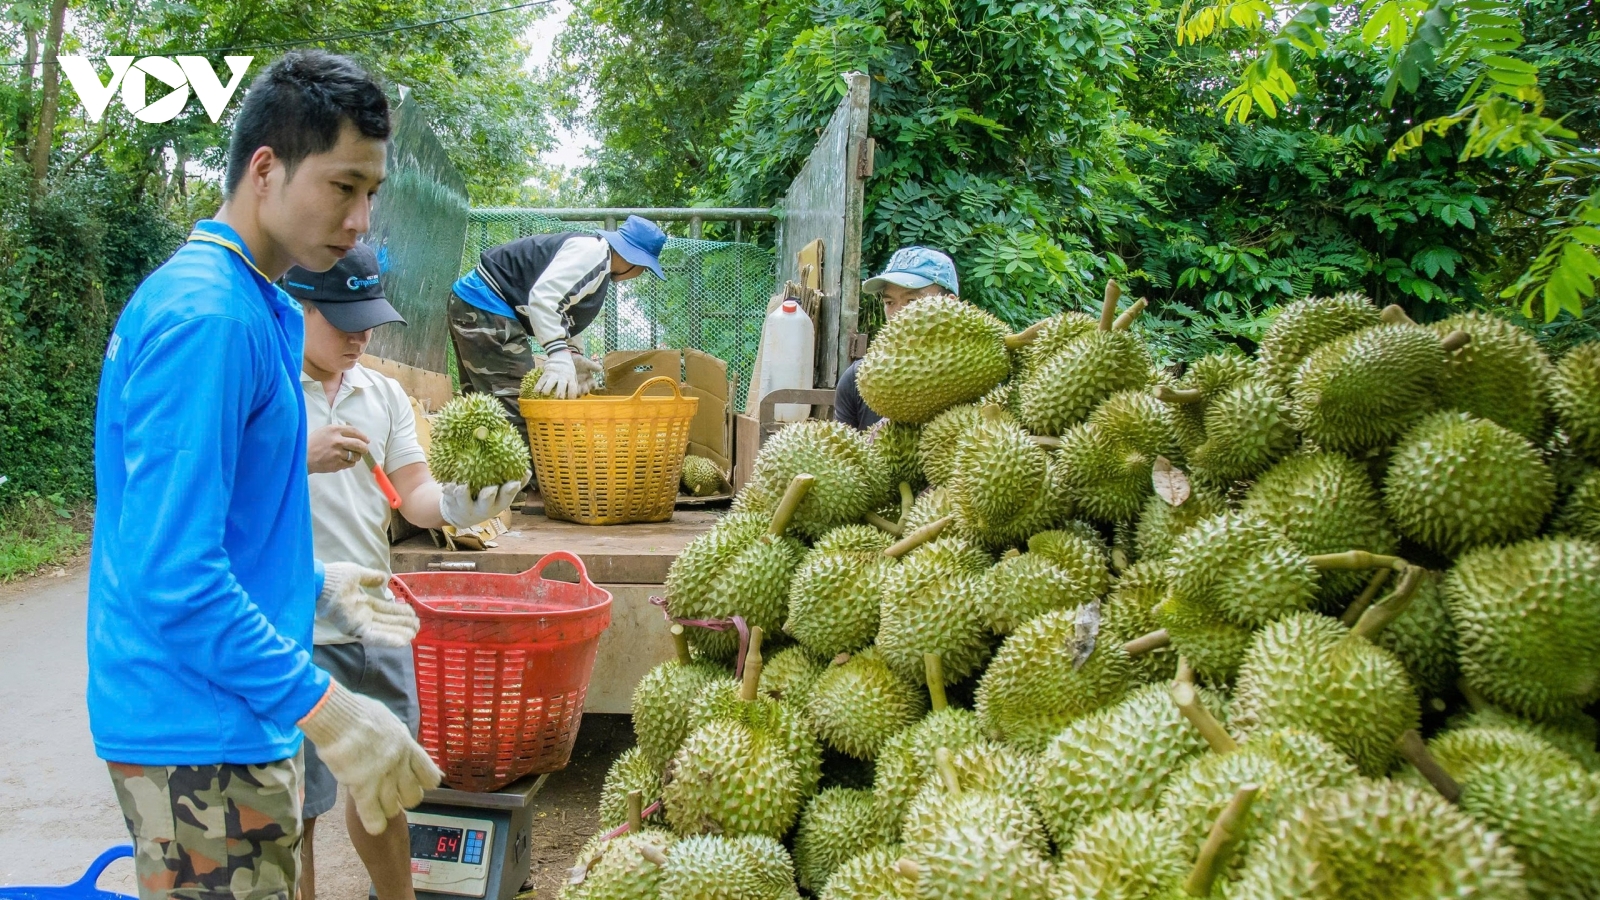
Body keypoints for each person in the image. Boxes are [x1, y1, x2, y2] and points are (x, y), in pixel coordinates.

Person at [87, 51, 440, 900]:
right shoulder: (208, 317)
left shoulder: (252, 302)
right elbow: (172, 574)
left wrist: (313, 583)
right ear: (265, 168)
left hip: (231, 710)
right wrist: (327, 709)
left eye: (371, 193)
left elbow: (222, 523)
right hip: (199, 728)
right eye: (342, 186)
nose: (360, 221)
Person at [285, 243, 526, 900]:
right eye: (343, 318)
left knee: (385, 794)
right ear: (298, 308)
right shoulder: (267, 387)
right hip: (295, 627)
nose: (361, 334)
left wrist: (458, 503)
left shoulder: (381, 393)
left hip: (376, 621)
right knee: (295, 809)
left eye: (368, 317)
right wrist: (298, 455)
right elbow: (227, 495)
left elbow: (412, 492)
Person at [448, 215, 668, 438]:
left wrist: (571, 354)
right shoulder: (593, 254)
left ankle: (481, 471)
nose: (640, 274)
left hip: (475, 304)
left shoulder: (599, 262)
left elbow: (565, 308)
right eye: (645, 268)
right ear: (635, 260)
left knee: (480, 408)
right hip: (486, 305)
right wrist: (558, 355)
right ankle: (528, 474)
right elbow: (544, 298)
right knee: (520, 411)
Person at [835, 247, 961, 429]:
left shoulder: (983, 378)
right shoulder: (858, 379)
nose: (898, 314)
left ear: (950, 303)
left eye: (912, 301)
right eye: (889, 303)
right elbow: (840, 452)